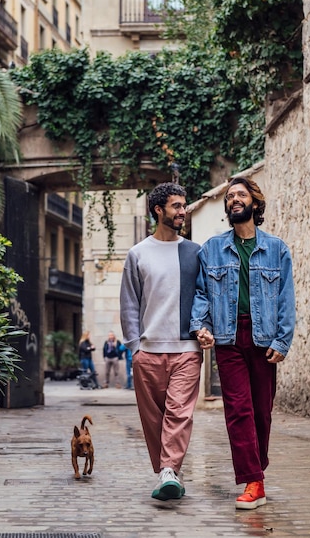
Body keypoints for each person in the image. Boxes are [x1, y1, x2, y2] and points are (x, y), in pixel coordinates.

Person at [190, 177, 295, 510]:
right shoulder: (212, 249)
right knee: (238, 410)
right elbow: (202, 294)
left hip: (264, 339)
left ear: (255, 203)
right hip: (228, 337)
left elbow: (285, 298)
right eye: (230, 196)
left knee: (262, 412)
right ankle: (253, 481)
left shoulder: (277, 249)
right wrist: (200, 327)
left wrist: (283, 339)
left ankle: (256, 473)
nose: (234, 199)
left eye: (240, 195)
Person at [120, 182, 214, 502]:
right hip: (148, 351)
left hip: (186, 349)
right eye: (176, 206)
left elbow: (205, 296)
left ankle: (169, 470)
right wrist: (135, 347)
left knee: (179, 413)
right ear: (158, 210)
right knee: (153, 419)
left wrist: (203, 327)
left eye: (183, 206)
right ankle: (167, 469)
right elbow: (129, 303)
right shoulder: (138, 254)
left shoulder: (195, 252)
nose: (182, 211)